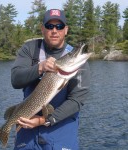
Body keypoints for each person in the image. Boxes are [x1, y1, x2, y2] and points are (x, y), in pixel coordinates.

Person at [11, 9, 90, 150]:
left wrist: (43, 120)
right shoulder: (30, 49)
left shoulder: (76, 62)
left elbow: (77, 101)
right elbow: (15, 80)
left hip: (61, 133)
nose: (54, 30)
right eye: (49, 26)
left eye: (59, 26)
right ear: (43, 29)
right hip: (27, 135)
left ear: (66, 30)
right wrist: (39, 68)